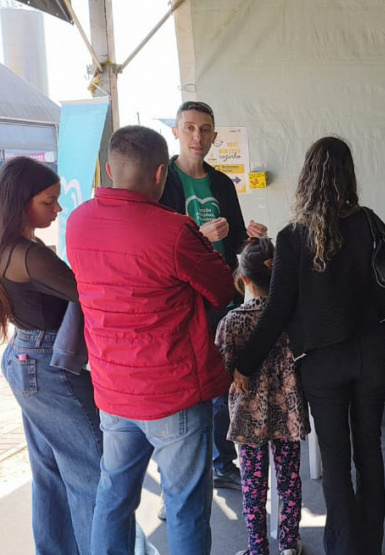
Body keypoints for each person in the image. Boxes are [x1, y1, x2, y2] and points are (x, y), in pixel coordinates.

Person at [231, 136, 385, 555]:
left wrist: (245, 364)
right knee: (370, 452)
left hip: (322, 365)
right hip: (372, 355)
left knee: (335, 463)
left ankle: (344, 549)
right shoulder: (369, 222)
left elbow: (277, 309)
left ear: (306, 178)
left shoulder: (294, 237)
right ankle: (370, 547)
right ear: (348, 175)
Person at [66, 125, 236, 553]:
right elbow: (221, 289)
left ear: (109, 169)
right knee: (185, 506)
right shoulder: (175, 231)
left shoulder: (78, 222)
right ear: (162, 174)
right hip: (173, 391)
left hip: (113, 391)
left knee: (113, 498)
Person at [160, 100, 268, 490]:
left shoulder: (221, 183)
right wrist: (199, 237)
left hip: (221, 294)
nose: (197, 136)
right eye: (189, 128)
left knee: (224, 378)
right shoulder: (162, 179)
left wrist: (250, 237)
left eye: (204, 129)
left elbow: (236, 238)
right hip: (180, 296)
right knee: (189, 381)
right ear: (175, 131)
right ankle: (190, 461)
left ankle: (223, 462)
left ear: (214, 136)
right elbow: (157, 241)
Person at [0, 157, 101, 554]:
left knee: (51, 474)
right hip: (47, 365)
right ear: (22, 201)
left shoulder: (12, 247)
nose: (58, 209)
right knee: (92, 470)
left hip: (25, 360)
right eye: (49, 201)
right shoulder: (29, 254)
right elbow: (89, 294)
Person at [215, 238, 308, 555]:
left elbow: (225, 369)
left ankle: (257, 548)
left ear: (242, 279)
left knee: (253, 485)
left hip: (248, 416)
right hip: (289, 410)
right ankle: (289, 545)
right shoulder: (292, 318)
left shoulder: (232, 322)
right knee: (289, 479)